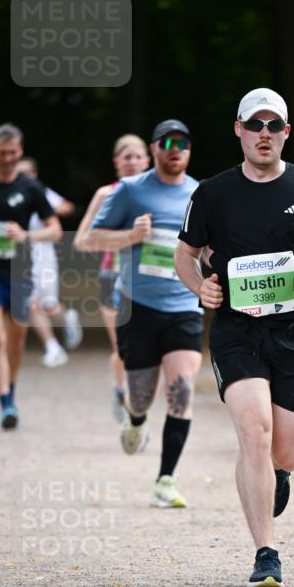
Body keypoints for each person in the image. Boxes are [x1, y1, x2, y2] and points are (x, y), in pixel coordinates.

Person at [175, 87, 294, 587]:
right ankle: (266, 553)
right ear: (238, 129)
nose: (263, 134)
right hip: (238, 332)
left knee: (287, 451)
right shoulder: (212, 193)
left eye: (272, 126)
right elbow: (184, 254)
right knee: (254, 432)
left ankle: (279, 475)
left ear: (285, 133)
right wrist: (202, 289)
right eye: (254, 125)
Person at [83, 120, 201, 508]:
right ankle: (135, 421)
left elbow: (213, 246)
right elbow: (88, 239)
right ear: (154, 149)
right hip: (139, 307)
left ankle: (165, 479)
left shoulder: (200, 193)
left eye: (182, 143)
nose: (175, 148)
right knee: (141, 397)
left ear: (188, 150)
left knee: (182, 390)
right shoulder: (130, 191)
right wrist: (131, 236)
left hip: (184, 304)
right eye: (167, 142)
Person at [0, 124, 62, 429]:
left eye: (13, 153)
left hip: (20, 271)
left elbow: (54, 230)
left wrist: (26, 234)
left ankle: (10, 394)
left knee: (16, 340)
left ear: (20, 151)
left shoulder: (30, 187)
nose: (8, 158)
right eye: (2, 153)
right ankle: (4, 403)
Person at [74, 134, 150, 421]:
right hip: (112, 276)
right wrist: (125, 237)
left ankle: (134, 400)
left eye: (137, 156)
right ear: (116, 162)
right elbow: (81, 241)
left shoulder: (158, 193)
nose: (132, 162)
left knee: (145, 345)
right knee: (122, 345)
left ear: (147, 160)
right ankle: (121, 391)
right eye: (126, 157)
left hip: (147, 278)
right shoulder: (106, 195)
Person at [16, 156, 81, 367]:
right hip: (19, 255)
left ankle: (68, 317)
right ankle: (53, 347)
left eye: (26, 173)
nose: (22, 177)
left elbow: (67, 207)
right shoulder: (12, 195)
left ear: (34, 174)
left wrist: (51, 210)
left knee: (48, 305)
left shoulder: (41, 193)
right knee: (31, 303)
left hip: (42, 253)